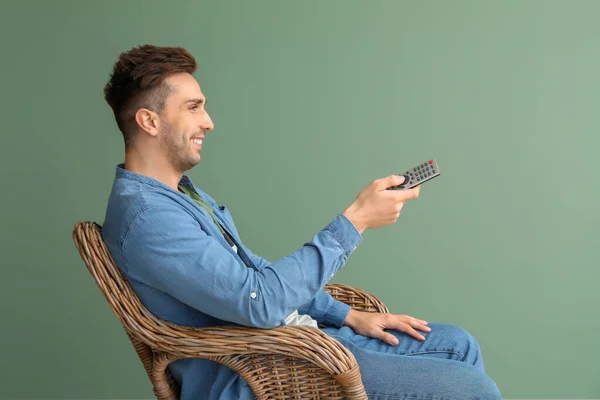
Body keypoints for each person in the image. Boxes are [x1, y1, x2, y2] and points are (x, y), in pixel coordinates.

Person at [101, 44, 501, 400]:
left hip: (295, 340)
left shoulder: (181, 195)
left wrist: (349, 316)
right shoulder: (150, 218)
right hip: (261, 371)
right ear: (149, 122)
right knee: (474, 389)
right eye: (193, 107)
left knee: (458, 345)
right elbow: (259, 301)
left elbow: (251, 274)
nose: (208, 121)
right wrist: (356, 219)